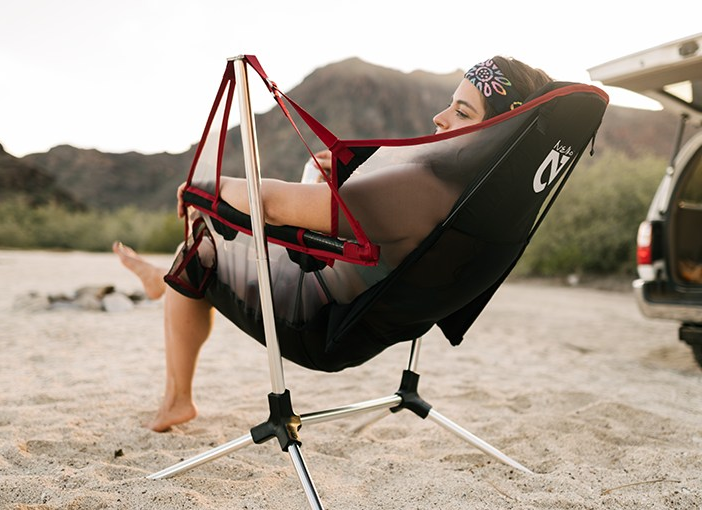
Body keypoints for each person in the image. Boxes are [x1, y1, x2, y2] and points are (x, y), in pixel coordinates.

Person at [117, 57, 552, 432]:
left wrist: (205, 186)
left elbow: (266, 204)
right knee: (292, 186)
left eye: (461, 111)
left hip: (314, 321)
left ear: (495, 132)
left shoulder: (423, 187)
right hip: (362, 319)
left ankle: (176, 392)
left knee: (203, 242)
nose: (440, 117)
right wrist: (351, 189)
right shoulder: (478, 202)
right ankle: (163, 283)